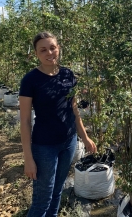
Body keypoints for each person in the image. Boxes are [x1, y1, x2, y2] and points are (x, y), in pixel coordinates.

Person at [19, 31, 97, 217]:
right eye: (43, 50)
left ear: (58, 49)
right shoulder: (30, 80)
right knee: (42, 200)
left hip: (68, 143)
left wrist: (84, 137)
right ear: (36, 54)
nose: (49, 53)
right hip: (44, 147)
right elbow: (25, 120)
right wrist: (28, 158)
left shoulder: (68, 75)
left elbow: (74, 109)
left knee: (57, 193)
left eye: (53, 48)